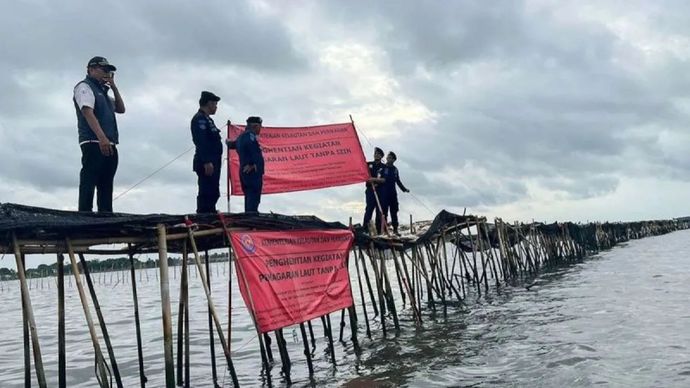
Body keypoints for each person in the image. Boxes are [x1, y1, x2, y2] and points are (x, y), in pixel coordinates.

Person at [73, 56, 125, 212]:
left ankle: (105, 215)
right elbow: (87, 112)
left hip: (110, 142)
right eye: (104, 70)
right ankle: (84, 216)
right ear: (91, 69)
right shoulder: (85, 87)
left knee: (106, 184)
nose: (106, 74)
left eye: (108, 71)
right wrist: (102, 138)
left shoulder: (103, 92)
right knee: (89, 181)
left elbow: (121, 109)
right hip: (93, 142)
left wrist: (114, 87)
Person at [191, 91, 223, 213]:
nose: (216, 107)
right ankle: (204, 217)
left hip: (214, 162)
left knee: (213, 192)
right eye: (215, 104)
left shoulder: (208, 119)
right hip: (207, 163)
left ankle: (210, 213)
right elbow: (201, 141)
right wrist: (206, 161)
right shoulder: (200, 119)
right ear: (209, 103)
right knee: (207, 192)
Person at [234, 116, 264, 212]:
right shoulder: (249, 136)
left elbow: (235, 145)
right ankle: (251, 219)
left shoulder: (241, 137)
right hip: (251, 171)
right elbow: (252, 150)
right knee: (253, 197)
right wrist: (252, 163)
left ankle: (250, 216)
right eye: (260, 127)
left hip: (245, 171)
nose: (260, 129)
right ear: (255, 126)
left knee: (250, 197)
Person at [379, 151, 410, 235]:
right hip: (384, 194)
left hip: (393, 193)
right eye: (387, 157)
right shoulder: (383, 168)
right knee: (384, 212)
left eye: (389, 158)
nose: (387, 159)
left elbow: (398, 181)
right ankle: (385, 230)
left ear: (393, 159)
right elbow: (378, 179)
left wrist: (404, 189)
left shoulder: (395, 170)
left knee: (394, 211)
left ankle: (395, 229)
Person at [362, 147, 386, 234]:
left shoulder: (384, 167)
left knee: (379, 210)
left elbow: (384, 179)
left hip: (380, 191)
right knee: (369, 209)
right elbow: (363, 175)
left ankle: (379, 231)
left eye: (378, 154)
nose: (376, 155)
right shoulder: (368, 164)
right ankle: (365, 229)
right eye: (375, 153)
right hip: (370, 190)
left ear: (381, 156)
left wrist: (374, 179)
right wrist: (369, 179)